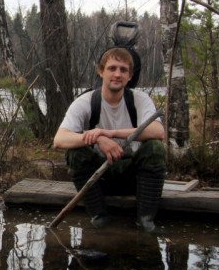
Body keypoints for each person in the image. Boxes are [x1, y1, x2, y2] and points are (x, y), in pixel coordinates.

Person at [53, 47, 166, 231]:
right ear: (101, 71)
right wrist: (97, 139)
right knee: (75, 153)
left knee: (155, 147)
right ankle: (99, 217)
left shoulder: (139, 100)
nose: (117, 74)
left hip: (135, 178)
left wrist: (110, 133)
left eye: (123, 70)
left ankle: (146, 221)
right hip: (99, 179)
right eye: (112, 68)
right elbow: (59, 139)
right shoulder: (86, 101)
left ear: (130, 76)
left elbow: (158, 131)